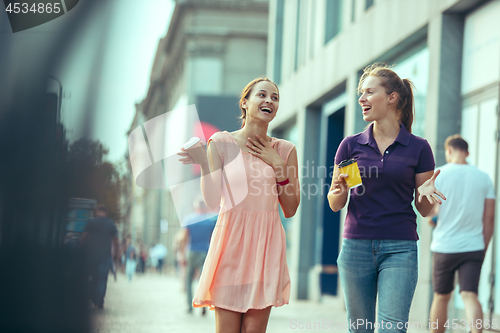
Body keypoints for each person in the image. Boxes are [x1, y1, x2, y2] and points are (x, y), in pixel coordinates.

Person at [327, 63, 446, 333]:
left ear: (392, 97)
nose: (361, 99)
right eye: (361, 93)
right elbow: (336, 204)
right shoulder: (351, 145)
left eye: (369, 92)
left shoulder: (418, 148)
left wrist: (426, 195)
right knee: (360, 328)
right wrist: (339, 190)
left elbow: (424, 210)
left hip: (400, 248)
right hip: (356, 247)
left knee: (392, 328)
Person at [177, 77, 300, 333]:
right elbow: (211, 201)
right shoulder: (221, 143)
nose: (269, 101)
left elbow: (290, 208)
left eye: (275, 98)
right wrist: (203, 161)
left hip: (266, 247)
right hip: (230, 243)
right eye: (262, 95)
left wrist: (278, 166)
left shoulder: (285, 149)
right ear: (244, 103)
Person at [429, 135, 495, 333]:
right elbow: (489, 217)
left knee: (441, 296)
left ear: (449, 151)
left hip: (444, 246)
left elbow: (431, 214)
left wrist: (433, 220)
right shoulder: (484, 178)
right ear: (467, 153)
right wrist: (483, 246)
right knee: (469, 295)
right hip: (473, 246)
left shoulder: (438, 175)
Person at [181, 197, 217, 315]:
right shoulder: (210, 221)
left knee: (189, 279)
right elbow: (213, 238)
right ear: (205, 207)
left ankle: (189, 306)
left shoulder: (189, 219)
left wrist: (183, 255)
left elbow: (185, 238)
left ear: (195, 207)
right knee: (203, 280)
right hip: (205, 253)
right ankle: (203, 306)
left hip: (192, 251)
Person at [82, 204, 119, 309]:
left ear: (97, 211)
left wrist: (82, 249)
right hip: (105, 255)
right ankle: (99, 301)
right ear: (106, 213)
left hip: (91, 255)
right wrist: (116, 254)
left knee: (93, 277)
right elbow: (116, 240)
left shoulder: (91, 222)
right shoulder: (111, 224)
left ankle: (92, 297)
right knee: (102, 279)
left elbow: (84, 236)